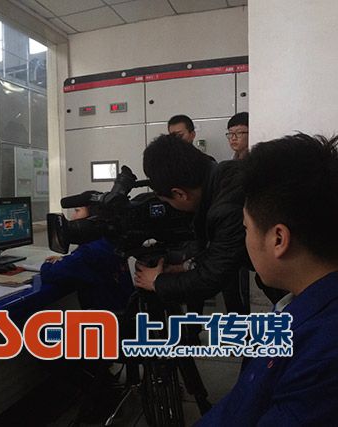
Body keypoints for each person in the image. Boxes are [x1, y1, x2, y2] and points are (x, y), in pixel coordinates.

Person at [197, 133, 338, 424]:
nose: (245, 240)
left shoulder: (323, 356)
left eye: (246, 229)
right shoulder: (296, 307)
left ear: (278, 239)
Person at [134, 134, 248, 312]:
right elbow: (219, 251)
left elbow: (213, 277)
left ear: (180, 194)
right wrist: (183, 267)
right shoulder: (225, 176)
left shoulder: (227, 208)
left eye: (168, 202)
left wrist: (156, 282)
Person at [40, 192, 134, 313]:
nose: (73, 217)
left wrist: (47, 264)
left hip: (104, 319)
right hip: (122, 312)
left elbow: (50, 274)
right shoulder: (110, 242)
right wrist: (66, 259)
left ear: (93, 216)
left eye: (77, 211)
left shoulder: (89, 253)